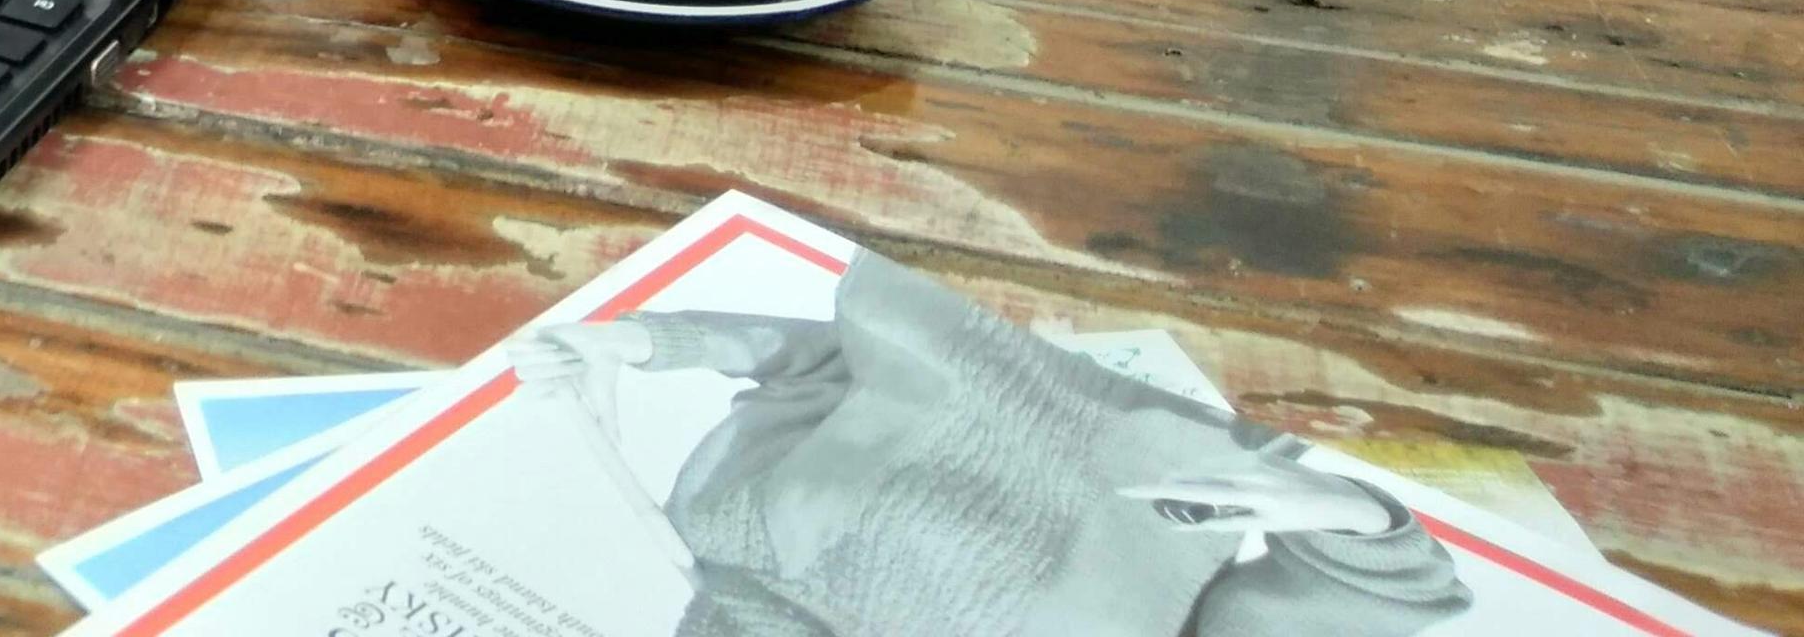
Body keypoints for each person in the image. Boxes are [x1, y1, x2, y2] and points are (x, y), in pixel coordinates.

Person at [508, 253, 1472, 635]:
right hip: (1208, 366)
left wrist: (647, 340)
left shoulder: (725, 538)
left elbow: (817, 360)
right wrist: (1355, 523)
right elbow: (1344, 605)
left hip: (998, 298)